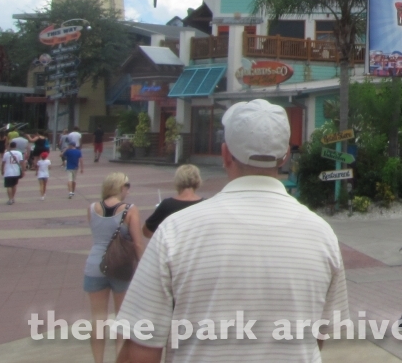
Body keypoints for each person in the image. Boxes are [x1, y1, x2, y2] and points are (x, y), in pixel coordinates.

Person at [116, 99, 349, 362]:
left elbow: (141, 351)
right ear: (284, 156)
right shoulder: (322, 235)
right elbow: (317, 336)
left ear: (226, 154)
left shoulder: (176, 231)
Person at [85, 172, 145, 363]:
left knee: (98, 320)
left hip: (95, 265)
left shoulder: (92, 208)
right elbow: (137, 243)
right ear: (120, 187)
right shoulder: (130, 210)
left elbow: (99, 234)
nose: (128, 190)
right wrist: (142, 266)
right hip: (121, 267)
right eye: (127, 185)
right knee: (122, 319)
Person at [143, 164, 203, 237]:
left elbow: (147, 232)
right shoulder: (205, 204)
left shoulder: (167, 205)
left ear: (177, 181)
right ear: (198, 181)